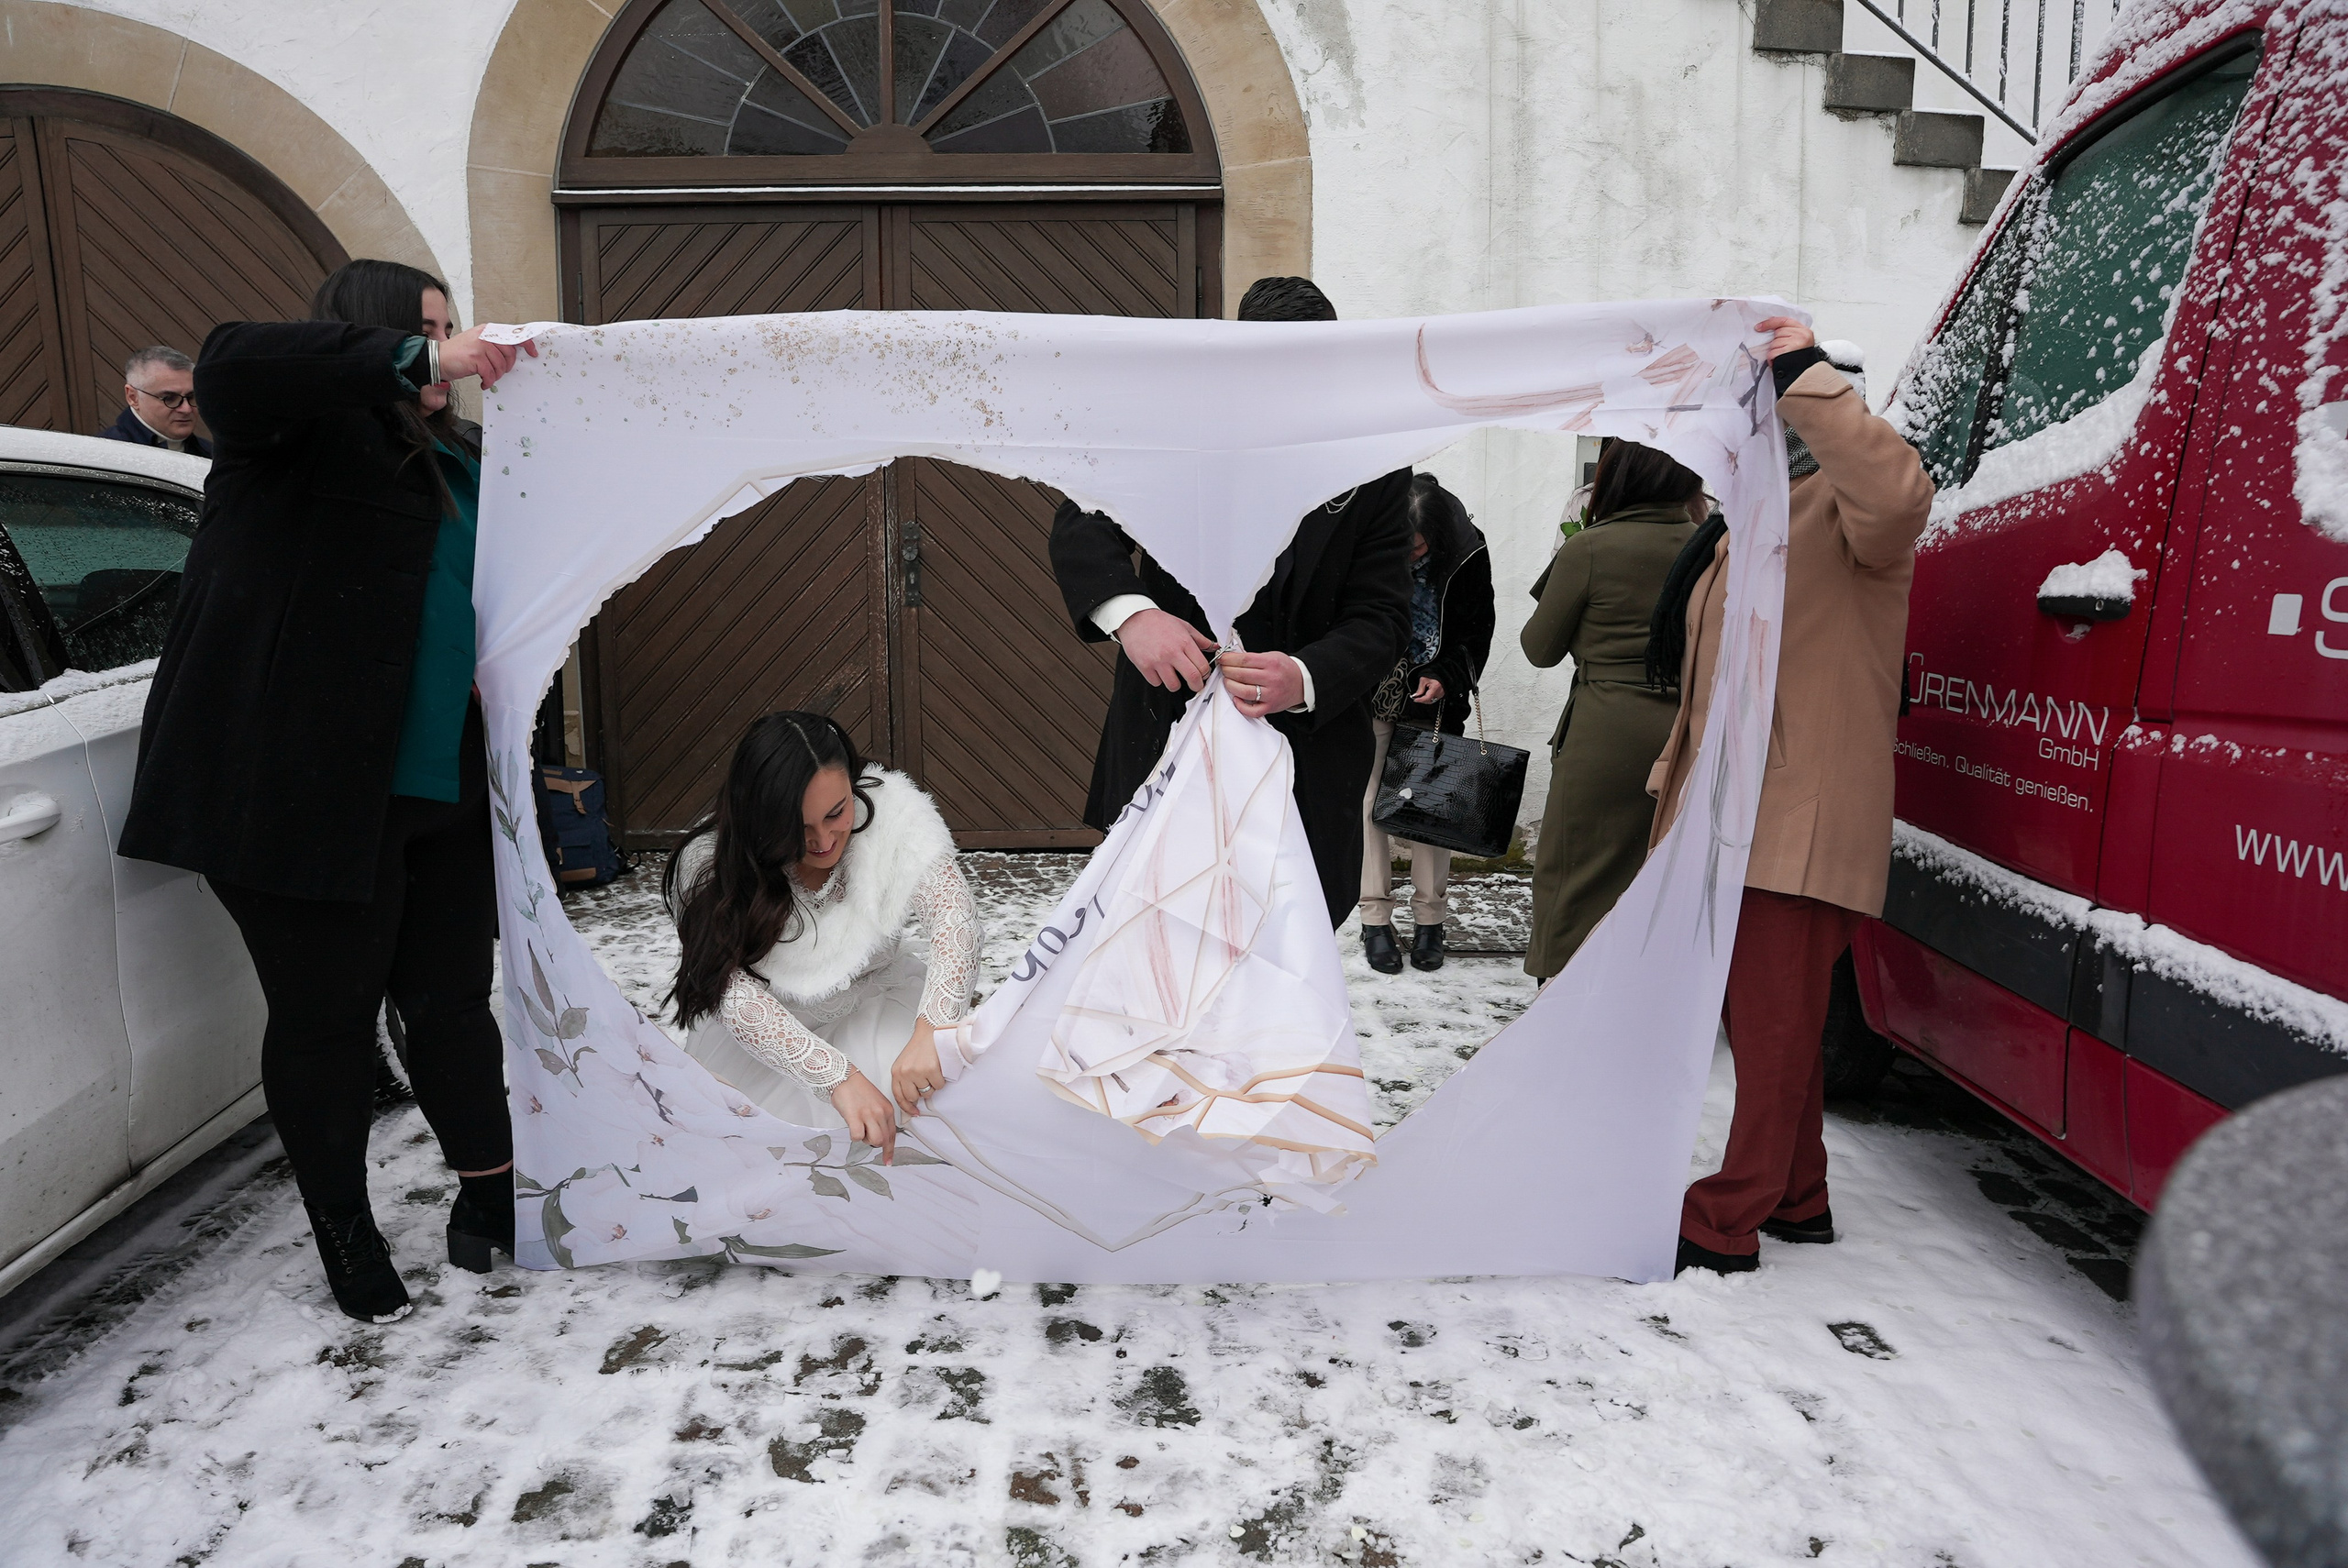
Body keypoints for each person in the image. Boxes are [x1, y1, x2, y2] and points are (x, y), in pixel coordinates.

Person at [116, 259, 537, 1323]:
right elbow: (234, 363)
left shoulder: (463, 461)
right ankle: (346, 1236)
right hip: (303, 795)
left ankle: (489, 1202)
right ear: (379, 335)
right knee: (329, 1024)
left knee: (448, 1004)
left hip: (437, 782)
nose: (447, 354)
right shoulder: (290, 438)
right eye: (428, 333)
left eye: (450, 334)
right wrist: (413, 361)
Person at [1645, 317, 1933, 1276]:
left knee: (1768, 1025)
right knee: (1771, 1022)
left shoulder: (1852, 508)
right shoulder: (1755, 513)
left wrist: (1802, 373)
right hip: (1737, 815)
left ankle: (1726, 1218)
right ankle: (1798, 1195)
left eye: (1758, 407)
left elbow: (1896, 496)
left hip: (1800, 814)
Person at [1050, 276, 1413, 929]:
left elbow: (1382, 617)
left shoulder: (1374, 463)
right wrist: (1134, 615)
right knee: (1151, 961)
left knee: (1283, 980)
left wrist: (1303, 676)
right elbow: (1084, 517)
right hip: (1166, 752)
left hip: (1308, 772)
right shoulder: (1173, 430)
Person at [665, 712, 976, 1160]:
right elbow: (733, 994)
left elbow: (956, 919)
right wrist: (837, 1078)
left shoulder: (895, 818)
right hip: (773, 1035)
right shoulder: (711, 865)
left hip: (884, 1008)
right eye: (797, 827)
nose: (824, 840)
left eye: (837, 813)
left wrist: (932, 1028)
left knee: (932, 1118)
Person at [1518, 441, 1707, 978]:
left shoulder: (1591, 548)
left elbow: (1539, 648)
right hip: (1684, 733)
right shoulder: (1708, 545)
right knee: (1657, 879)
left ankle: (1563, 1000)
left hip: (1604, 731)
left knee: (1575, 877)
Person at [1358, 473, 1492, 974]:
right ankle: (1375, 919)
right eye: (1402, 546)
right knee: (1370, 802)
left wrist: (1445, 674)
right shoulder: (1368, 540)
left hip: (1431, 701)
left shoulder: (1467, 554)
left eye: (1418, 547)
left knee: (1430, 807)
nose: (1410, 556)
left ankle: (1430, 920)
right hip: (1369, 689)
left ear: (1438, 534)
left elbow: (1478, 629)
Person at [96, 345, 214, 457]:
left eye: (191, 397)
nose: (186, 409)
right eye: (169, 398)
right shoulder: (105, 454)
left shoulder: (212, 455)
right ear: (133, 397)